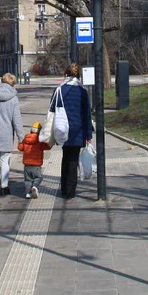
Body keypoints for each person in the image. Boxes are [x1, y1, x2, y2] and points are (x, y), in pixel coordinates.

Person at [57, 63, 92, 200]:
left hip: (62, 129)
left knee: (65, 158)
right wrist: (88, 134)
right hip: (77, 130)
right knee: (73, 160)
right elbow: (86, 114)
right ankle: (71, 191)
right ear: (79, 76)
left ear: (66, 74)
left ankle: (64, 188)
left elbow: (53, 109)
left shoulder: (59, 90)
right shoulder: (82, 92)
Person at [17, 121, 51, 199]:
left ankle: (27, 193)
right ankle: (34, 187)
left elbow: (20, 147)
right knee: (38, 177)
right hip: (36, 164)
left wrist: (20, 142)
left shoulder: (26, 139)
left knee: (28, 180)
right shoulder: (40, 141)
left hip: (27, 164)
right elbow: (48, 147)